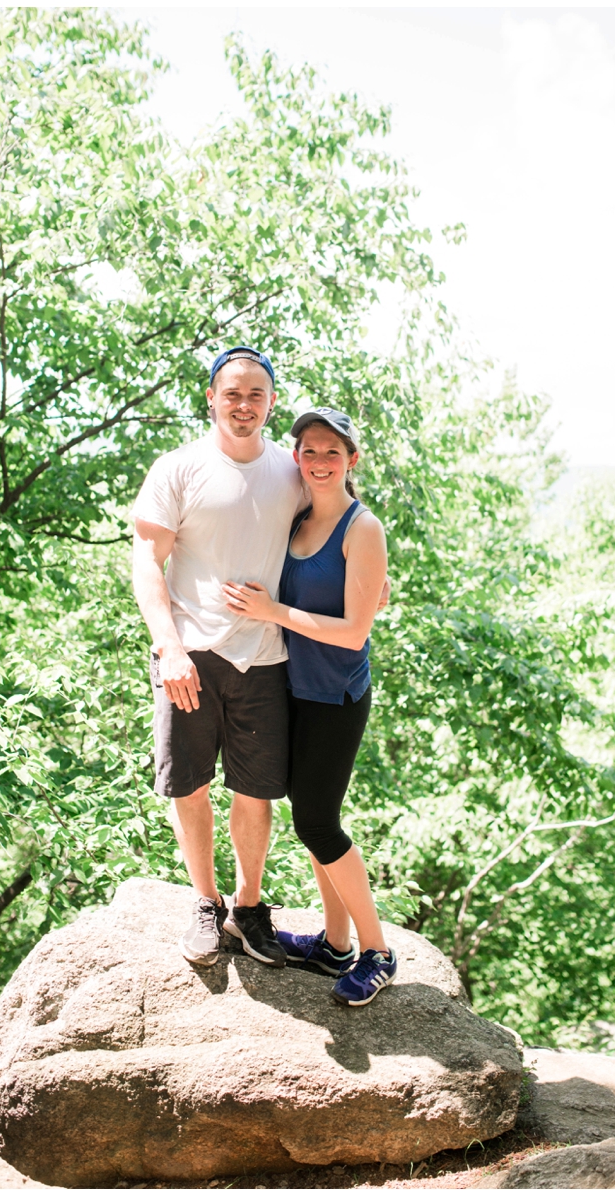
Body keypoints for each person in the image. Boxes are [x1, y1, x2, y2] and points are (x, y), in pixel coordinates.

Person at [132, 346, 303, 969]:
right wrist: (168, 646)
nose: (243, 405)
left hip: (265, 658)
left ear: (272, 403)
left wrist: (374, 576)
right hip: (191, 657)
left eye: (256, 395)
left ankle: (249, 908)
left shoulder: (291, 472)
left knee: (256, 792)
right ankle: (206, 902)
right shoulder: (178, 469)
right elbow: (146, 564)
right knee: (190, 785)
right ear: (211, 397)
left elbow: (340, 523)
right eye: (232, 393)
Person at [223, 408, 398, 1006]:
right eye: (309, 451)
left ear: (352, 460)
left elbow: (353, 631)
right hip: (292, 687)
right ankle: (336, 946)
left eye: (333, 452)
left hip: (336, 695)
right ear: (296, 458)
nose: (320, 462)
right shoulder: (297, 517)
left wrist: (270, 612)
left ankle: (378, 952)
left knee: (316, 823)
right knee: (311, 814)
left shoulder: (362, 527)